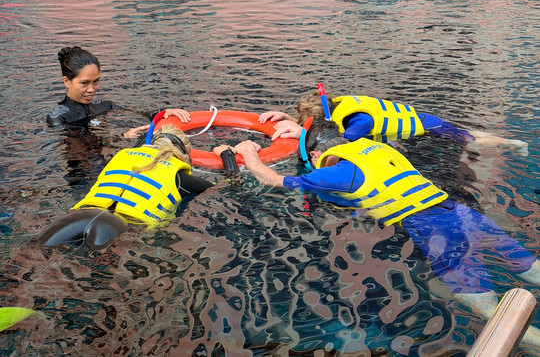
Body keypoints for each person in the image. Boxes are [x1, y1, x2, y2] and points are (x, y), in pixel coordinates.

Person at [233, 119, 539, 347]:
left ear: (315, 156)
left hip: (433, 228)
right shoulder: (374, 147)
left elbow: (270, 178)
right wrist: (298, 128)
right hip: (459, 211)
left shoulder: (334, 173)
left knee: (483, 306)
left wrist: (248, 151)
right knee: (528, 268)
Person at [39, 123, 215, 250]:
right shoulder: (181, 177)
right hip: (119, 227)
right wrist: (226, 154)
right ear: (184, 155)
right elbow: (222, 188)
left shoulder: (122, 156)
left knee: (36, 255)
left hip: (78, 215)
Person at [258, 90, 528, 154]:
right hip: (425, 122)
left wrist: (302, 134)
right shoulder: (339, 106)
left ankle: (515, 144)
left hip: (429, 129)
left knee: (471, 141)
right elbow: (324, 125)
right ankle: (511, 142)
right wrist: (289, 119)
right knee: (467, 134)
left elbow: (340, 145)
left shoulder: (359, 120)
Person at [47, 46, 190, 137]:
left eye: (96, 81)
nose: (91, 89)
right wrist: (123, 137)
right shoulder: (58, 118)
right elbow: (80, 149)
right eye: (84, 83)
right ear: (67, 81)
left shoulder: (104, 105)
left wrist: (164, 112)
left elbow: (141, 114)